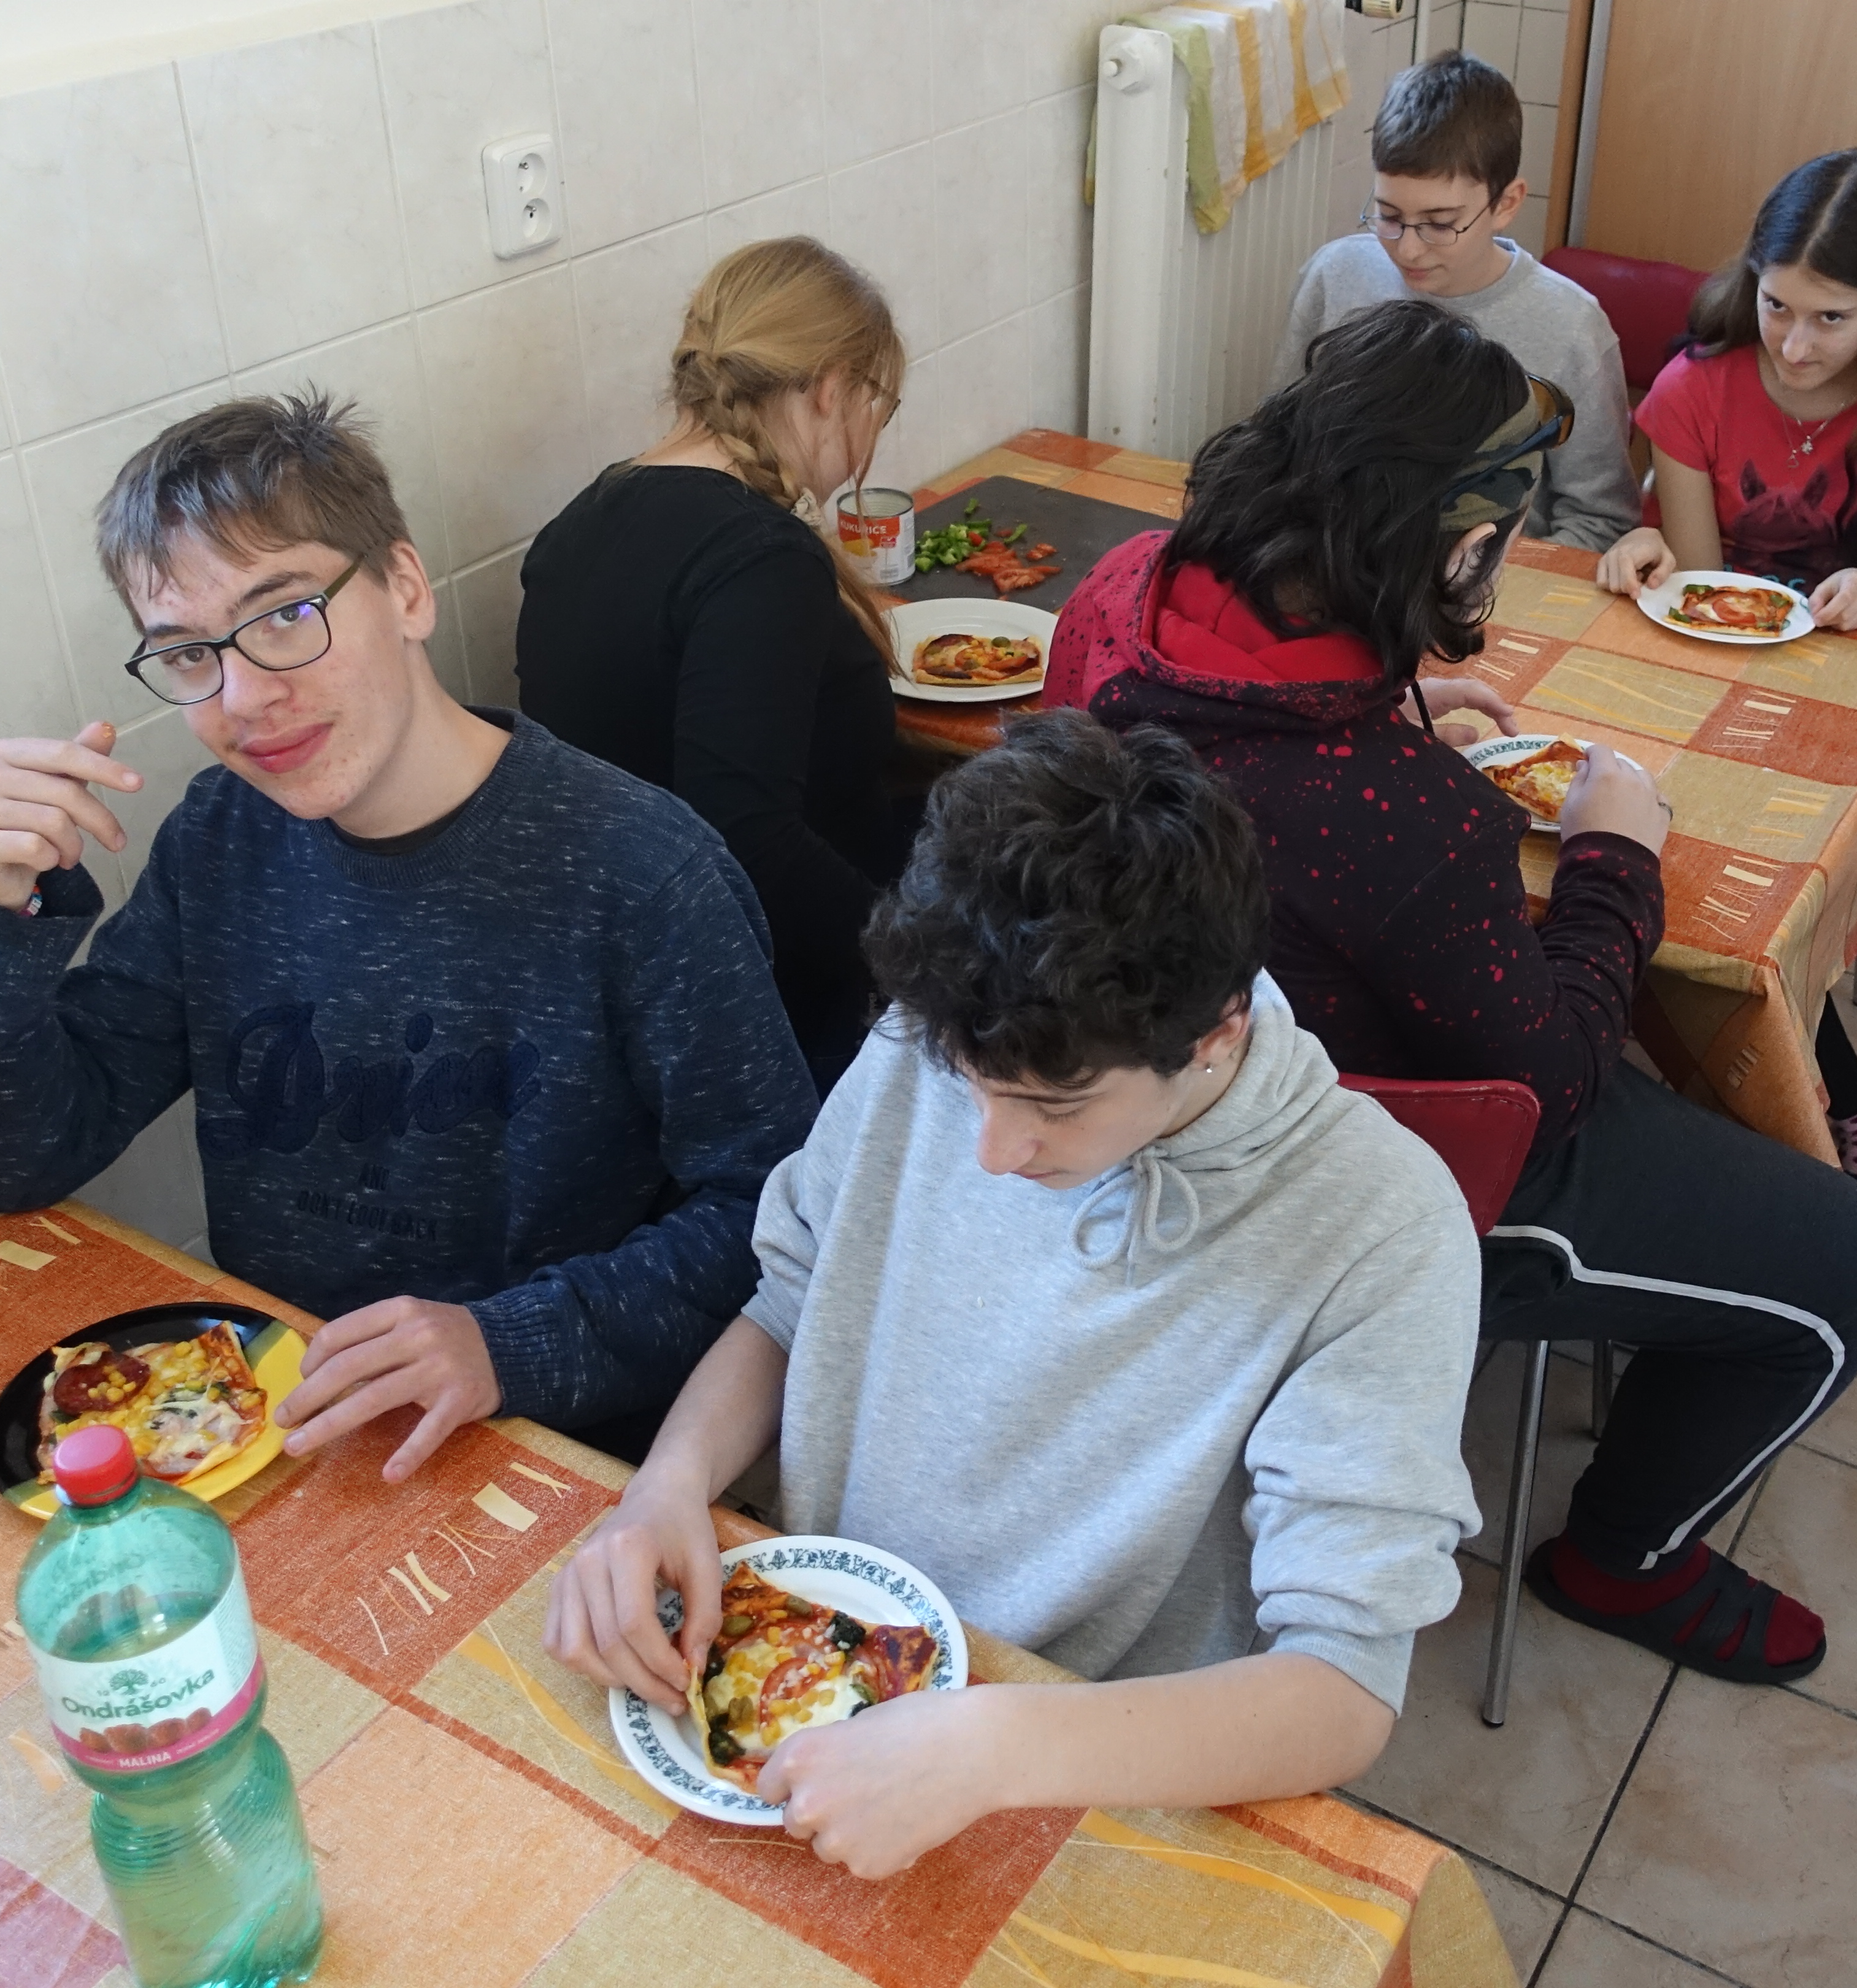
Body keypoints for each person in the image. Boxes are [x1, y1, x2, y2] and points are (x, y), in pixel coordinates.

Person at [1043, 299, 1857, 1685]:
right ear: (1458, 546)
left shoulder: (1123, 591)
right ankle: (1622, 1556)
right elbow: (1549, 1084)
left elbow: (1243, 748)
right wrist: (1615, 856)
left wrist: (1390, 711)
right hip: (1364, 1180)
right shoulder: (1399, 815)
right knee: (1849, 1262)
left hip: (1139, 1117)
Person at [548, 712, 1481, 1879]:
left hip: (1087, 1762)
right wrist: (667, 1485)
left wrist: (993, 1746)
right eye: (970, 1085)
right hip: (815, 1659)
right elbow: (790, 1300)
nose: (991, 1149)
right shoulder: (945, 1027)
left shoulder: (1381, 1223)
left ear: (1216, 1032)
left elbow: (1340, 1690)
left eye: (1055, 1105)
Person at [0, 392, 818, 1481]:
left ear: (407, 590)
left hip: (561, 1454)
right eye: (189, 654)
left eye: (287, 614)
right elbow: (9, 1155)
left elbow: (775, 1223)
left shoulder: (642, 871)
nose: (245, 696)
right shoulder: (219, 839)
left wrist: (505, 1343)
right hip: (275, 1429)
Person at [1593, 148, 1857, 1258]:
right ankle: (1848, 1104)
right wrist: (1644, 549)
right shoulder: (1696, 386)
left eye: (1832, 318)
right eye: (1776, 305)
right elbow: (1700, 588)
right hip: (1727, 686)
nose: (1793, 343)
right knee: (1720, 894)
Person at [514, 238, 923, 1089]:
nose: (872, 435)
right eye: (878, 405)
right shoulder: (762, 560)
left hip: (632, 987)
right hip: (777, 1010)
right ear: (830, 387)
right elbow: (747, 837)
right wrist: (922, 966)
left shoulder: (580, 521)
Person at [1278, 49, 1637, 551]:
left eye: (1440, 224)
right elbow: (1280, 451)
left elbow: (1601, 521)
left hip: (1490, 581)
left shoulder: (1571, 326)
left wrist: (1483, 580)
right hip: (1337, 562)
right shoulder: (1334, 275)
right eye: (1388, 216)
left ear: (1506, 204)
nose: (1408, 248)